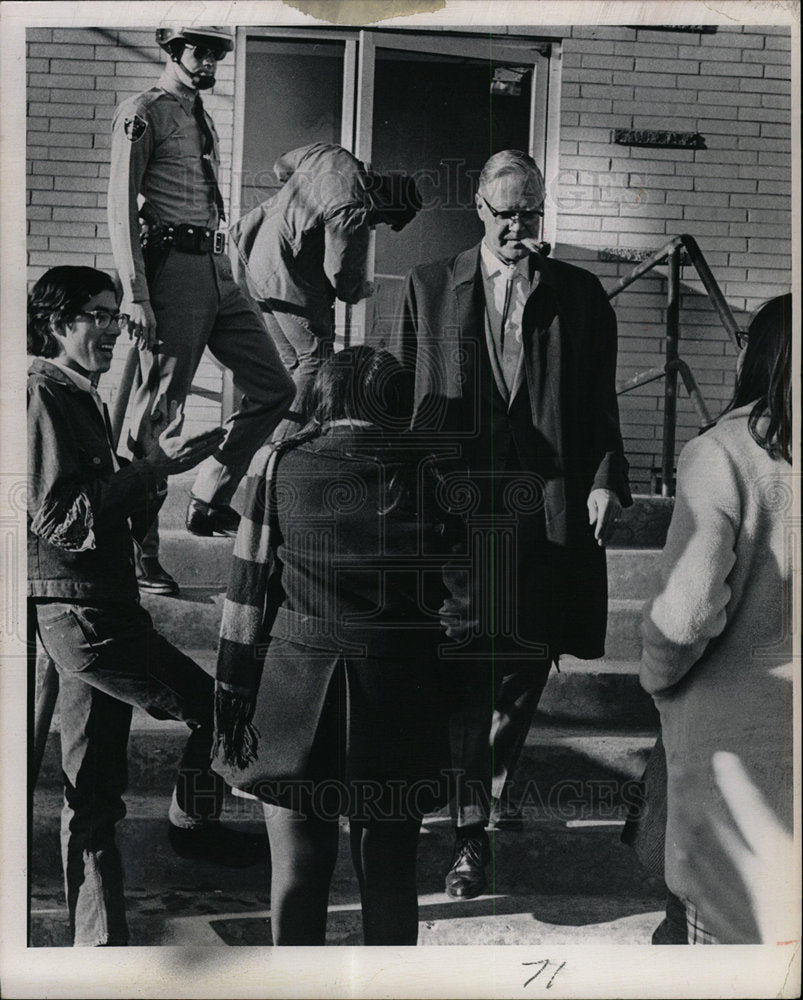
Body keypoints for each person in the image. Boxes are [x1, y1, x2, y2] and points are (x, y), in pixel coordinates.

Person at [391, 149, 632, 899]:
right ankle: (469, 834)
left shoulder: (579, 295)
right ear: (477, 208)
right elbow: (405, 395)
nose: (518, 227)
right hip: (462, 510)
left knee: (524, 668)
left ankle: (490, 789)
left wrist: (603, 481)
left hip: (548, 506)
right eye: (505, 214)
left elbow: (598, 400)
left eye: (531, 212)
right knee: (467, 671)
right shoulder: (430, 284)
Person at [27, 266, 265, 947]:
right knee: (216, 710)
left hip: (95, 608)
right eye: (97, 315)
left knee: (93, 795)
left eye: (114, 315)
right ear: (56, 321)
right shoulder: (41, 393)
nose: (112, 328)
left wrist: (152, 467)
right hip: (82, 618)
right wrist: (153, 471)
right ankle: (193, 828)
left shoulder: (79, 396)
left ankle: (98, 946)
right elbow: (60, 518)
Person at [211, 346, 460, 945]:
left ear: (325, 396)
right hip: (398, 685)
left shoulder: (278, 464)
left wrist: (232, 689)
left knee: (297, 873)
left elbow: (248, 588)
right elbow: (456, 589)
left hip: (296, 685)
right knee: (392, 875)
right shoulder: (432, 470)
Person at [108, 26, 294, 595]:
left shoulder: (200, 113)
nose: (209, 59)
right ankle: (140, 549)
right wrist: (136, 292)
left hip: (217, 271)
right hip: (173, 274)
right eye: (199, 50)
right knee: (160, 416)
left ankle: (209, 493)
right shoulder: (143, 112)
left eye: (217, 51)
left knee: (275, 389)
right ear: (173, 51)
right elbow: (120, 204)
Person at [640, 293, 794, 944]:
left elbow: (687, 609)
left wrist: (657, 676)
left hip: (736, 756)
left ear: (751, 357)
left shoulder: (724, 452)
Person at [229, 142, 422, 440]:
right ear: (385, 201)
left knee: (292, 365)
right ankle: (280, 451)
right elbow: (341, 276)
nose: (374, 226)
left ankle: (257, 445)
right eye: (382, 220)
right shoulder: (354, 206)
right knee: (315, 360)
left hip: (253, 255)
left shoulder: (330, 153)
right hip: (285, 268)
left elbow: (281, 165)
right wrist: (361, 289)